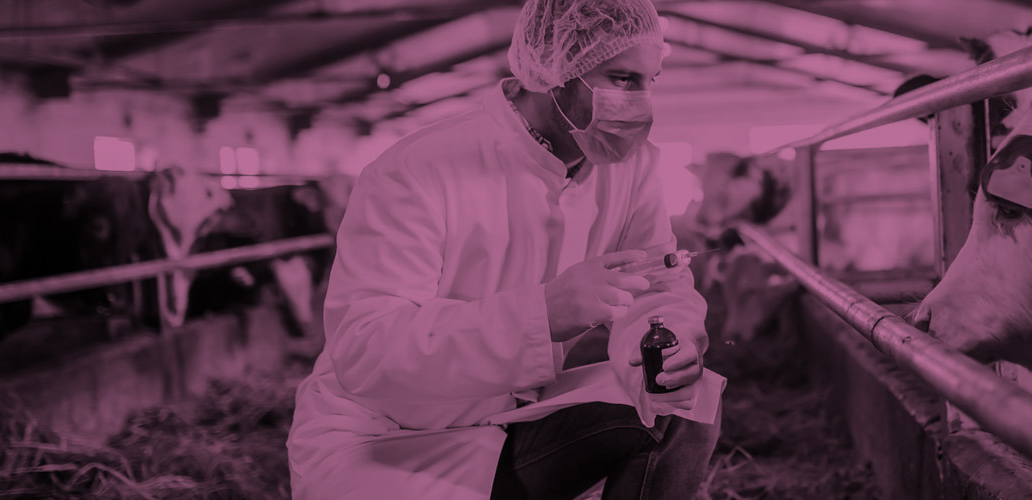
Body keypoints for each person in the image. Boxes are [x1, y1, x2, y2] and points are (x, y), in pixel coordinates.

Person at [286, 1, 724, 498]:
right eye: (622, 78)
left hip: (513, 417)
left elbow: (657, 286)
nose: (642, 102)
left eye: (651, 80)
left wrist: (670, 342)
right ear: (557, 72)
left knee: (684, 408)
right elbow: (364, 348)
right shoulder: (417, 170)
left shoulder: (633, 169)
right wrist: (542, 314)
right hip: (386, 438)